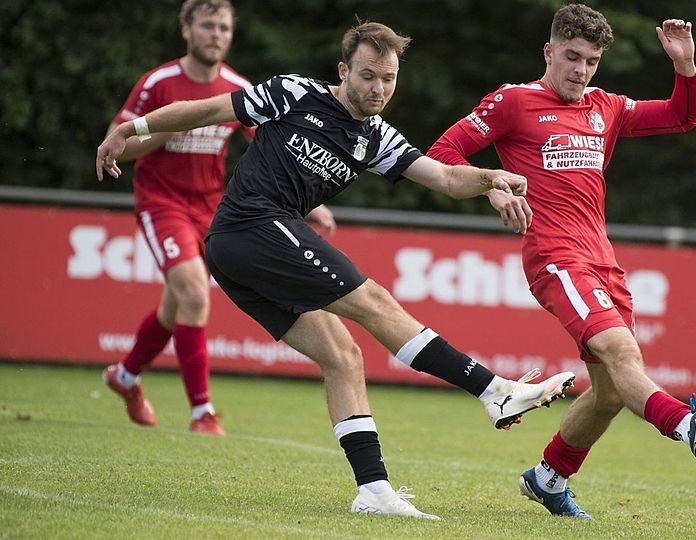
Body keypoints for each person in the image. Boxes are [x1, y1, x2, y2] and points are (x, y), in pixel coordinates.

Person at [96, 21, 575, 519]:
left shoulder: (377, 137)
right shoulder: (293, 92)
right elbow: (206, 110)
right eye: (368, 76)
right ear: (344, 70)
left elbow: (447, 178)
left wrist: (491, 177)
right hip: (248, 228)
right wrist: (133, 129)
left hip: (245, 254)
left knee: (342, 355)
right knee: (375, 303)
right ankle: (494, 391)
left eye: (388, 79)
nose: (378, 89)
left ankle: (373, 491)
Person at [427, 4, 696, 520]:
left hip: (603, 260)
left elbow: (683, 116)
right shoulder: (514, 102)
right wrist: (493, 185)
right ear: (549, 51)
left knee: (611, 392)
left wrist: (685, 66)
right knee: (619, 350)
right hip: (554, 257)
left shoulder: (605, 107)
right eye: (571, 57)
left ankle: (548, 478)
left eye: (591, 61)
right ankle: (687, 424)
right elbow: (442, 153)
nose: (580, 70)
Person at [100, 0, 269, 436]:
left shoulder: (237, 88)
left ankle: (125, 376)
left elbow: (269, 146)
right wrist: (166, 130)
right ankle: (202, 413)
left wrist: (313, 198)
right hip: (162, 204)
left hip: (213, 210)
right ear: (186, 30)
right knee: (194, 293)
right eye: (207, 25)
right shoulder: (158, 83)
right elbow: (118, 144)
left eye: (224, 27)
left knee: (176, 305)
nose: (217, 34)